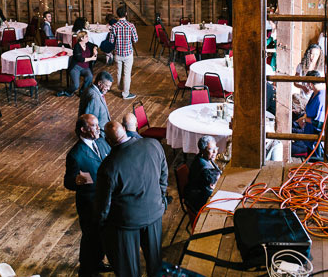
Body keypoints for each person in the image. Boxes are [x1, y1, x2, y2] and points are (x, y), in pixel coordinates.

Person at [95, 121, 167, 277]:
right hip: (154, 214)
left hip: (126, 223)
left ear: (108, 141)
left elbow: (103, 204)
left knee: (129, 269)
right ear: (126, 131)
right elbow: (163, 175)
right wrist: (160, 198)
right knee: (156, 264)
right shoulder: (153, 145)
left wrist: (102, 224)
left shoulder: (108, 166)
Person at [64, 114, 113, 276]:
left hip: (105, 199)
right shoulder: (75, 155)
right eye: (94, 125)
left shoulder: (102, 141)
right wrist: (77, 180)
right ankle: (86, 270)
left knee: (101, 236)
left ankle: (97, 262)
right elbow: (68, 182)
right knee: (90, 238)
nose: (98, 128)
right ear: (83, 130)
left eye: (97, 125)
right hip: (89, 203)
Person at [184, 135, 222, 214]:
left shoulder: (203, 157)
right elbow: (213, 187)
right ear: (203, 150)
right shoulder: (204, 169)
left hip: (199, 192)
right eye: (211, 149)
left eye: (216, 148)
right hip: (200, 201)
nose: (215, 152)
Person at [291, 70, 325, 157]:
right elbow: (308, 109)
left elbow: (320, 124)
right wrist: (304, 117)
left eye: (307, 83)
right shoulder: (315, 93)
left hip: (315, 137)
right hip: (309, 132)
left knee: (315, 160)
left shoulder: (320, 98)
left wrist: (305, 119)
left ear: (310, 84)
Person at [108, 5, 138, 100]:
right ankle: (125, 94)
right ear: (126, 14)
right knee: (127, 74)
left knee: (119, 72)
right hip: (128, 53)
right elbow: (136, 39)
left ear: (117, 15)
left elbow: (111, 41)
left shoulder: (114, 26)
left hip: (118, 53)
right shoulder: (131, 25)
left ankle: (121, 89)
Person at [58, 31, 97, 97]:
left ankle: (82, 91)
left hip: (85, 67)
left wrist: (95, 49)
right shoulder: (77, 46)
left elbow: (95, 45)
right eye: (86, 37)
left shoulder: (87, 44)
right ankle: (67, 92)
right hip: (76, 67)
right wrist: (92, 58)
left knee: (90, 77)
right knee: (76, 85)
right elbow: (80, 59)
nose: (88, 38)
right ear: (81, 38)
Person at [293, 44, 324, 115]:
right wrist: (303, 88)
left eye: (316, 54)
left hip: (317, 98)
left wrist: (315, 89)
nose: (313, 57)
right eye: (312, 54)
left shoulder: (322, 69)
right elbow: (295, 82)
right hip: (304, 98)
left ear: (319, 55)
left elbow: (325, 85)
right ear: (308, 54)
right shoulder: (301, 66)